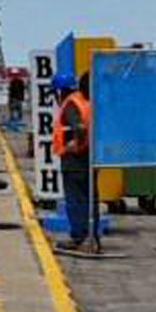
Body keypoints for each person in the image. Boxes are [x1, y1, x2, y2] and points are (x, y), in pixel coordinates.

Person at [54, 74, 96, 252]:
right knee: (90, 198)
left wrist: (75, 144)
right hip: (91, 157)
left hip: (74, 160)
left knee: (75, 199)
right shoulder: (90, 102)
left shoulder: (71, 104)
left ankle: (78, 237)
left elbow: (79, 127)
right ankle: (93, 236)